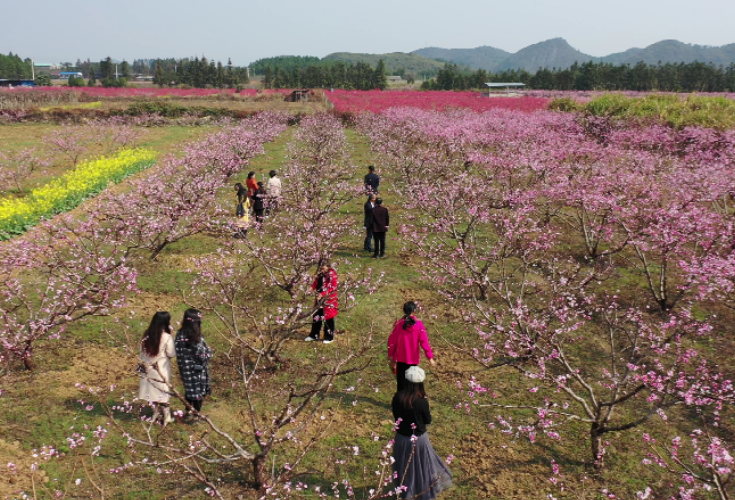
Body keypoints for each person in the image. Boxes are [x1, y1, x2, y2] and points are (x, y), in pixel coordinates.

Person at [391, 366, 452, 500]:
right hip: (418, 440)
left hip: (401, 439)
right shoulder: (420, 402)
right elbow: (427, 420)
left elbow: (396, 417)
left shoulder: (397, 397)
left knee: (405, 466)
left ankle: (407, 490)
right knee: (422, 466)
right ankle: (422, 490)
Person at [138, 311, 176, 425]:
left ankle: (156, 414)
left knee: (150, 393)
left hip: (147, 368)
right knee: (163, 394)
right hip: (160, 369)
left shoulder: (146, 334)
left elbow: (141, 352)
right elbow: (171, 353)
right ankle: (167, 416)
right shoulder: (167, 337)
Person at [387, 301, 436, 392]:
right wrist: (430, 357)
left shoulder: (398, 324)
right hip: (413, 359)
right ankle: (412, 401)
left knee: (401, 384)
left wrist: (391, 356)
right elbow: (424, 342)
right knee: (413, 383)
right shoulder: (419, 325)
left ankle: (400, 402)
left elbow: (392, 342)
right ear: (414, 311)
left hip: (400, 359)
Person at [175, 309, 213, 420]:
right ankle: (197, 415)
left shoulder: (179, 334)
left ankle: (188, 411)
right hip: (197, 369)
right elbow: (203, 354)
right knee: (199, 392)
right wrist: (209, 352)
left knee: (189, 390)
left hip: (184, 369)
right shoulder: (196, 338)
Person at [306, 263, 338, 344]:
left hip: (329, 299)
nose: (322, 270)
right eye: (321, 268)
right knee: (316, 316)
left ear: (328, 267)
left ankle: (329, 337)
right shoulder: (321, 274)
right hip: (319, 298)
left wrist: (323, 294)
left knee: (329, 318)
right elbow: (316, 282)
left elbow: (333, 287)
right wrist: (312, 288)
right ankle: (314, 335)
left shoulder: (332, 275)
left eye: (324, 268)